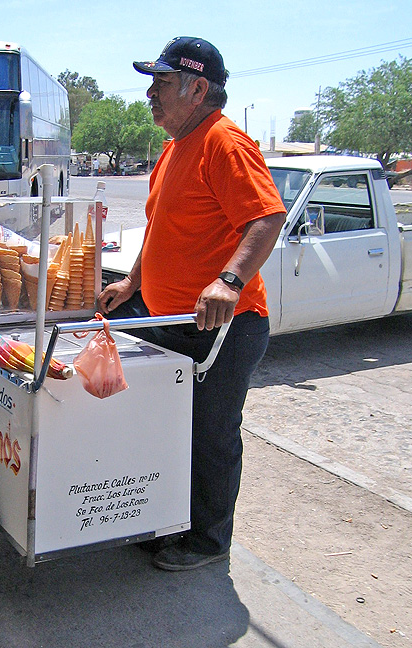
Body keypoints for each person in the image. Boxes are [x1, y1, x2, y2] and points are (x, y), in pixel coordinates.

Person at [97, 37, 287, 571]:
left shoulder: (224, 143)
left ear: (197, 87)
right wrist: (133, 283)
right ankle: (166, 521)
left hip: (224, 327)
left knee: (209, 435)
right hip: (172, 320)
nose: (149, 94)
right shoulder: (175, 147)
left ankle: (208, 541)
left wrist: (229, 280)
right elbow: (160, 228)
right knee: (165, 427)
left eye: (160, 83)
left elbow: (266, 218)